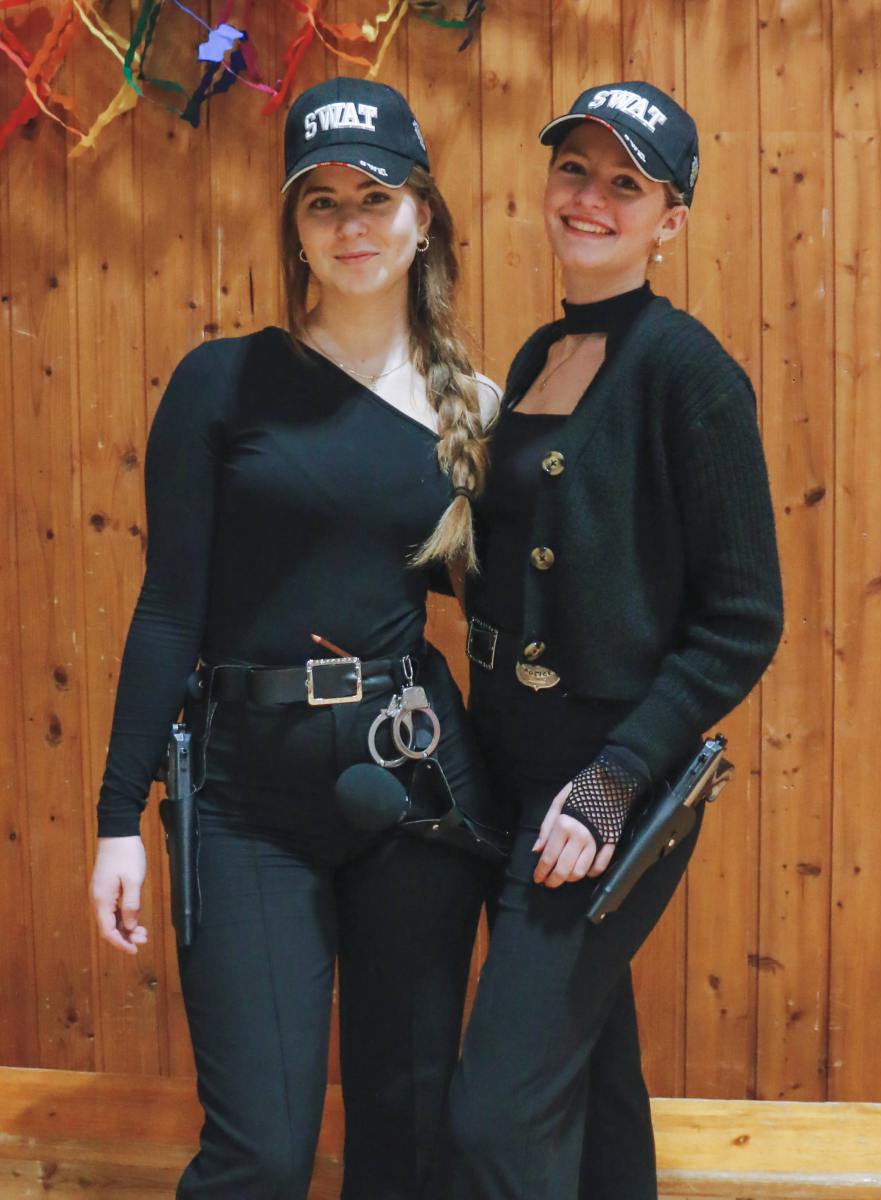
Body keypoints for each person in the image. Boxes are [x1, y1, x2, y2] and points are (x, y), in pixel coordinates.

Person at [89, 76, 502, 1200]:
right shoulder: (221, 383)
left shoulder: (474, 410)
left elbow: (511, 619)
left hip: (414, 790)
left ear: (423, 215)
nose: (350, 224)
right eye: (322, 202)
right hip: (243, 803)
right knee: (262, 1156)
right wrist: (117, 817)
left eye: (375, 196)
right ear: (295, 228)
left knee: (406, 1135)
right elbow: (168, 607)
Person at [440, 82, 784, 1199]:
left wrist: (615, 779)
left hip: (603, 790)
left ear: (669, 221)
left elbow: (744, 621)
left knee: (496, 1116)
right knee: (590, 1081)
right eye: (575, 170)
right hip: (506, 763)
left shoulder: (690, 374)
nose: (590, 198)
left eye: (625, 184)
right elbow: (515, 558)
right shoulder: (542, 351)